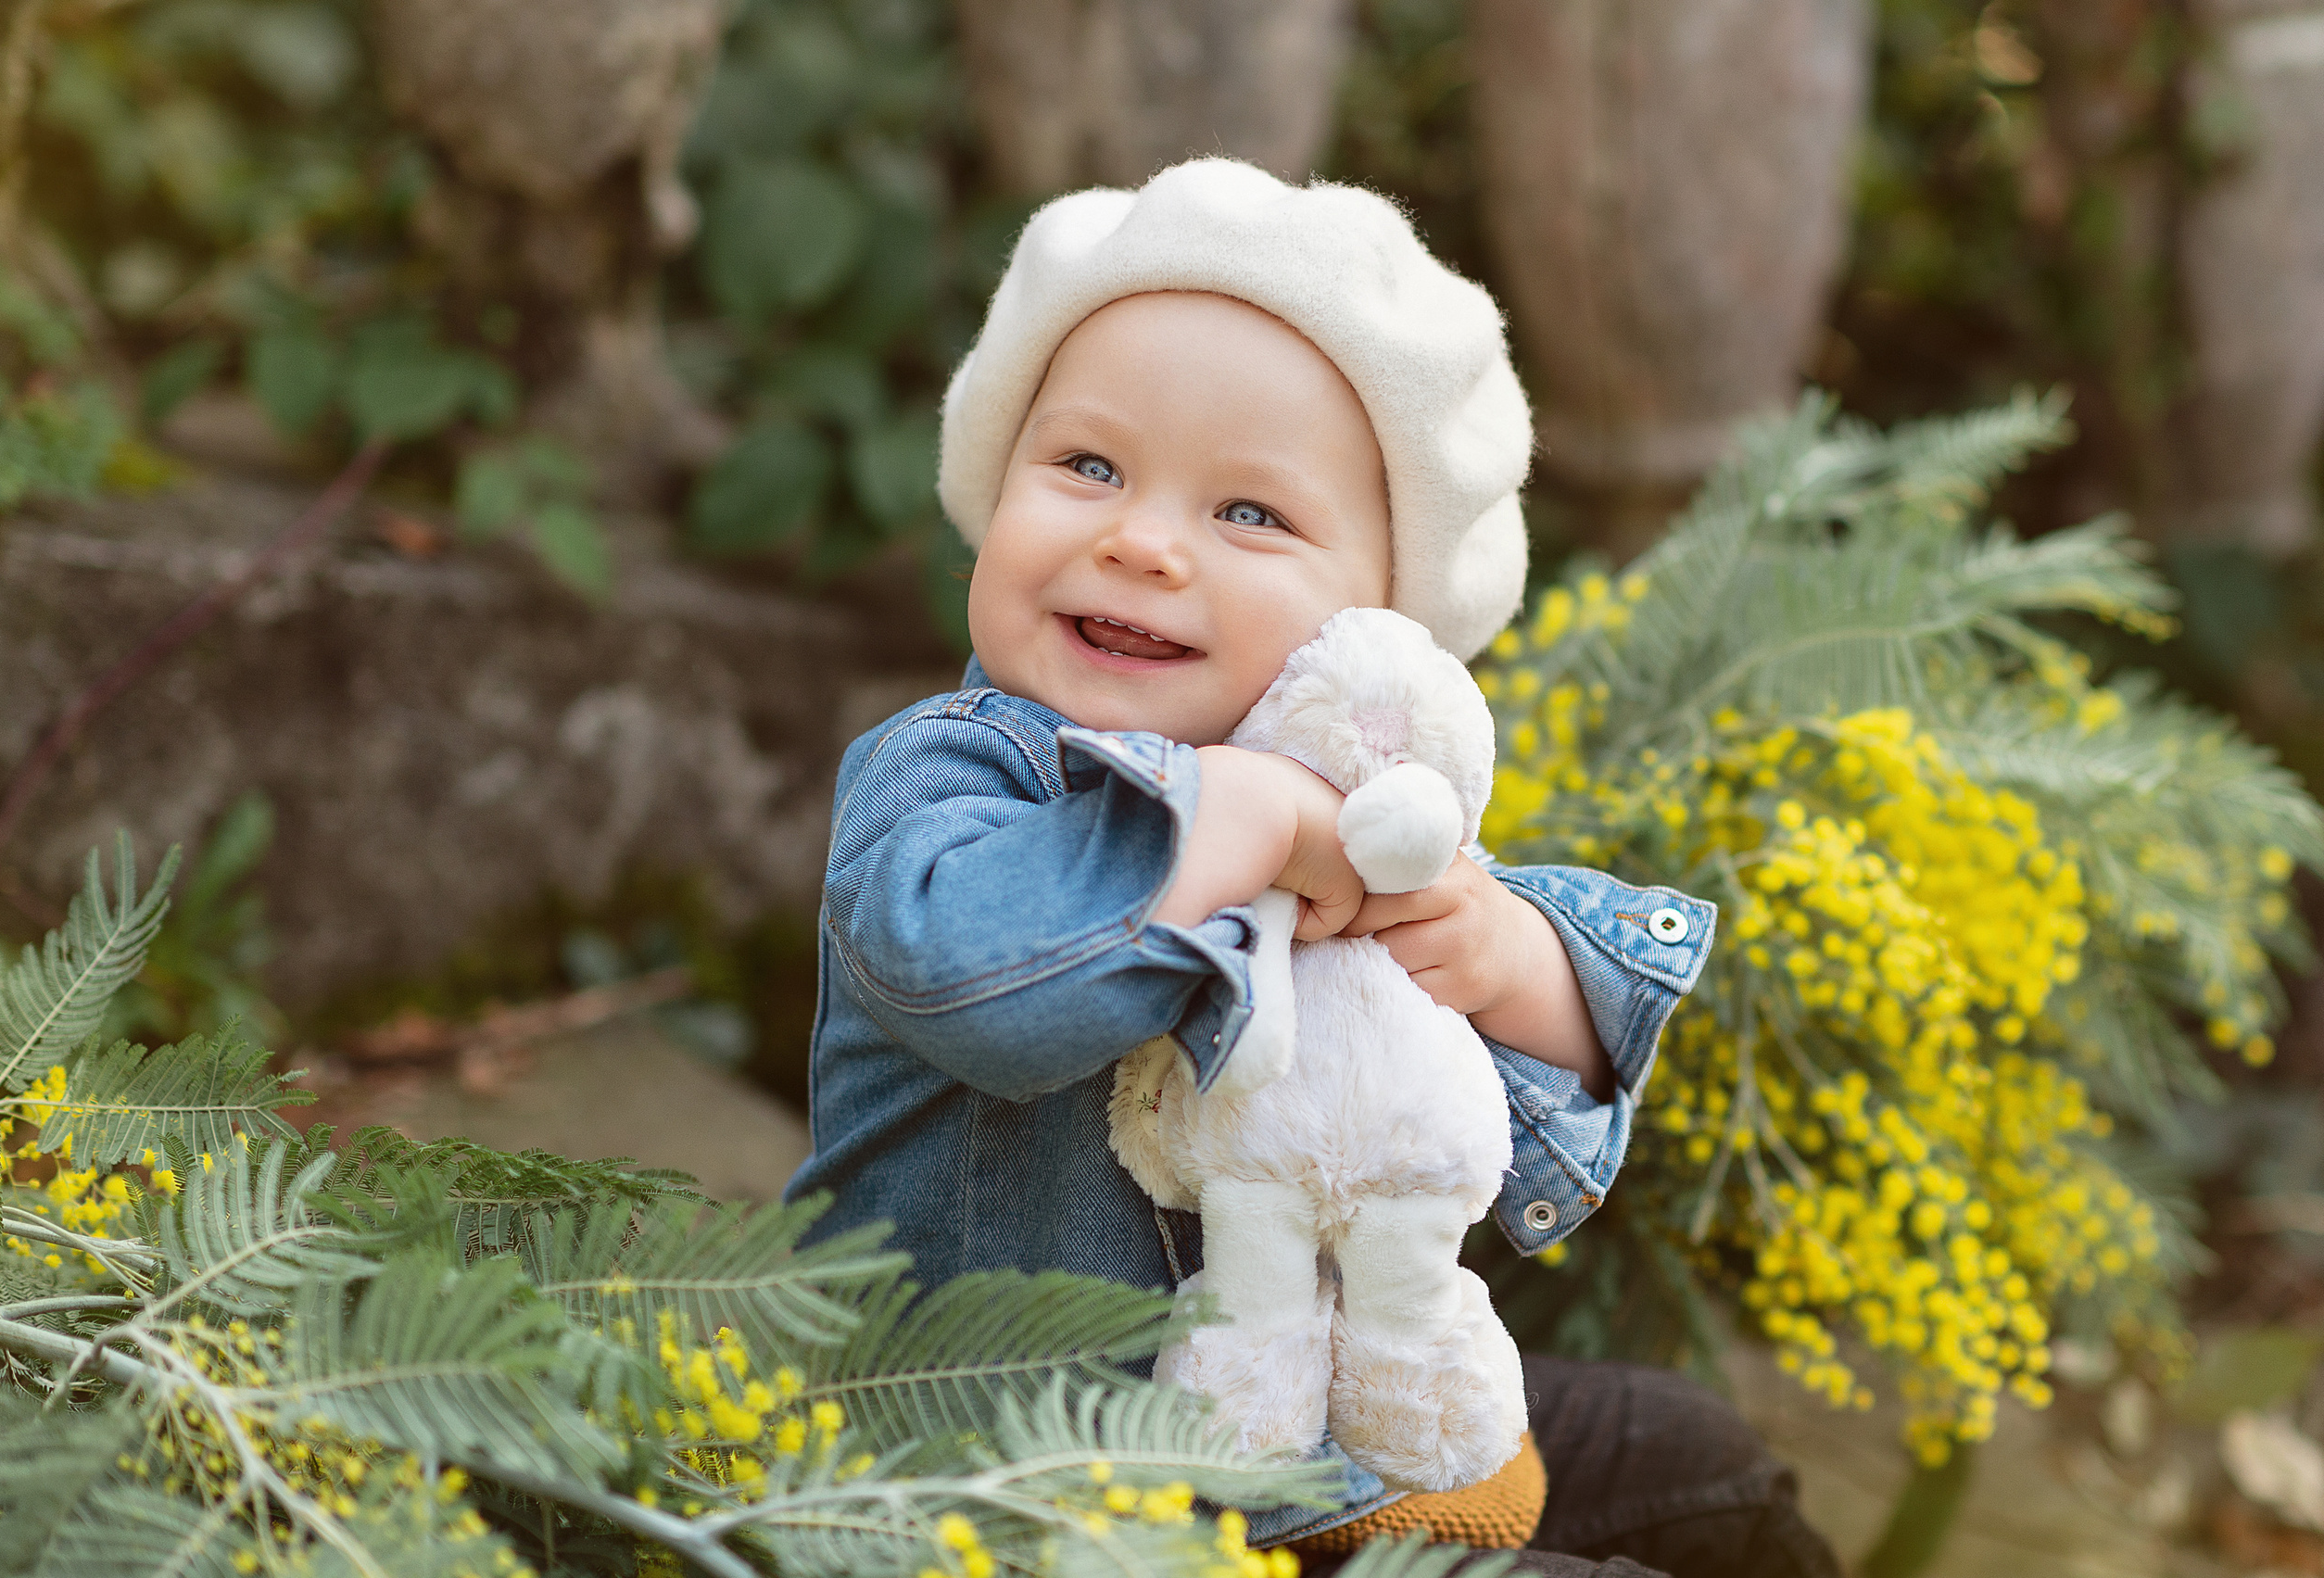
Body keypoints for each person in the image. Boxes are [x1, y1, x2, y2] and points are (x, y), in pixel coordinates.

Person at [784, 158, 1838, 1578]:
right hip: (1027, 1493)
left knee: (1689, 1457)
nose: (1141, 540)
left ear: (1376, 624)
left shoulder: (1347, 815)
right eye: (1088, 466)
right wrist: (1243, 821)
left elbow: (1449, 1141)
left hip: (1309, 1445)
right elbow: (983, 990)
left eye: (1249, 514)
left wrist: (1515, 965)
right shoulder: (951, 776)